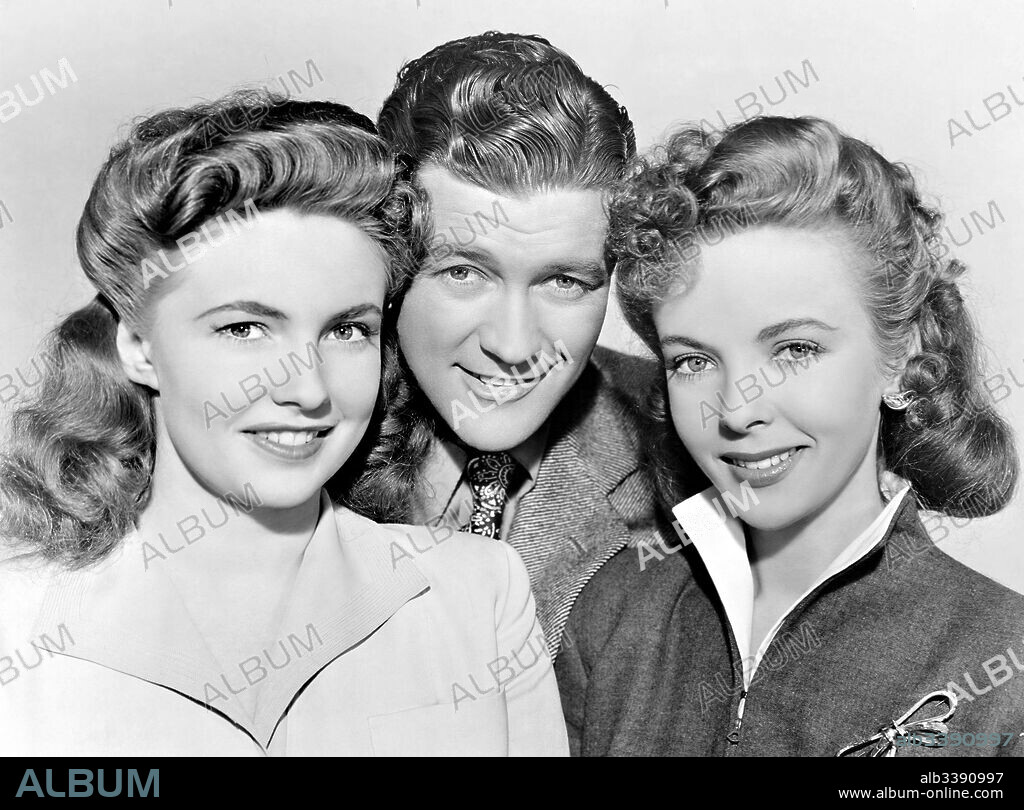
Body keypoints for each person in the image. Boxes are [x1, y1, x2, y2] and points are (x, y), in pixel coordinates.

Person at [0, 91, 567, 756]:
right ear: (138, 345)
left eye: (348, 329)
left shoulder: (479, 595)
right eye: (245, 328)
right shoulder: (18, 619)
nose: (307, 388)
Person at [556, 116, 1024, 757]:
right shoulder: (611, 617)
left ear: (903, 358)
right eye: (692, 361)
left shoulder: (1005, 663)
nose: (736, 409)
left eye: (794, 349)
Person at [376, 32, 683, 655]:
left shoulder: (698, 441)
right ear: (389, 258)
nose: (515, 347)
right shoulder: (292, 436)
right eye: (463, 273)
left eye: (564, 282)